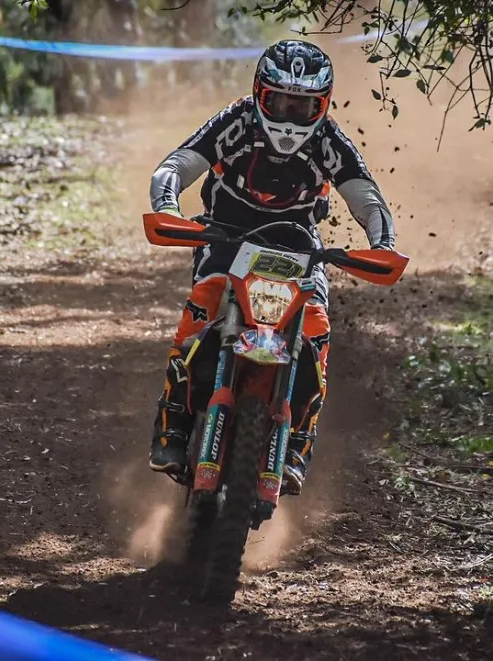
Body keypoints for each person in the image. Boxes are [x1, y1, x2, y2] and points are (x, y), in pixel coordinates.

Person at [147, 39, 396, 494]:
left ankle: (299, 441)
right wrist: (168, 204)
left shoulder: (329, 140)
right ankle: (173, 421)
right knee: (203, 302)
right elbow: (179, 163)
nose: (288, 114)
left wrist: (383, 241)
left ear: (321, 105)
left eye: (301, 106)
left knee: (318, 328)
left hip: (297, 242)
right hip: (225, 231)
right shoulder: (237, 120)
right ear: (260, 94)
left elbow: (366, 196)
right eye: (279, 100)